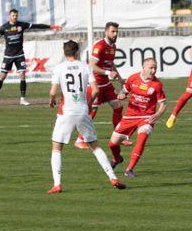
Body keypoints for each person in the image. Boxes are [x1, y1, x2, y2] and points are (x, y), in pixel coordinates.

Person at [47, 40, 126, 194]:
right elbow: (95, 90)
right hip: (82, 110)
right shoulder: (85, 67)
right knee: (95, 147)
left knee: (56, 148)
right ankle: (112, 177)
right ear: (77, 52)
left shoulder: (59, 68)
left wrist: (51, 100)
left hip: (66, 111)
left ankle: (57, 184)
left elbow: (53, 92)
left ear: (64, 52)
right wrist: (89, 104)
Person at [0, 8, 61, 106]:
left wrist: (51, 26)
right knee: (2, 76)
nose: (15, 17)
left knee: (22, 74)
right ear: (9, 16)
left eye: (16, 15)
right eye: (13, 15)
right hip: (8, 55)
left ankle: (22, 99)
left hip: (19, 55)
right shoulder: (4, 27)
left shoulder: (21, 25)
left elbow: (36, 26)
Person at [108, 58, 166, 178]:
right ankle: (117, 159)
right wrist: (121, 95)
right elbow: (123, 92)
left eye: (155, 68)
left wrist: (157, 115)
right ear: (143, 67)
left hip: (147, 117)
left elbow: (163, 105)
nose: (153, 70)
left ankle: (129, 169)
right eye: (151, 68)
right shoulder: (133, 78)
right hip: (130, 116)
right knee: (112, 144)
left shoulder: (157, 84)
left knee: (142, 137)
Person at [75, 21, 126, 149]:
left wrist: (120, 79)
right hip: (95, 83)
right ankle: (79, 140)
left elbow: (110, 63)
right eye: (112, 31)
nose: (115, 34)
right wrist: (108, 72)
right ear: (106, 32)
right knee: (92, 112)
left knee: (118, 107)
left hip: (106, 83)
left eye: (116, 32)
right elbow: (91, 66)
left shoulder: (113, 46)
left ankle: (118, 137)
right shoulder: (100, 46)